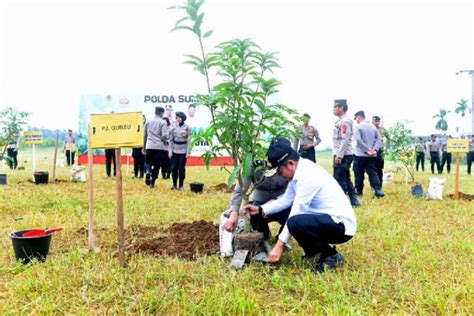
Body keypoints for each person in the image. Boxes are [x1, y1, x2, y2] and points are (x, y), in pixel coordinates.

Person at [242, 137, 357, 274]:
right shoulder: (298, 173)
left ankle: (330, 256)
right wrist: (260, 209)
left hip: (340, 225)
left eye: (279, 172)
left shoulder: (308, 175)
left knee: (295, 221)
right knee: (287, 215)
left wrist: (279, 244)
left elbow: (297, 210)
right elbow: (286, 201)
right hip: (323, 218)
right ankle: (314, 253)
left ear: (290, 163)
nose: (281, 176)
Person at [222, 159, 290, 241]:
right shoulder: (252, 164)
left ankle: (282, 238)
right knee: (260, 233)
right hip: (258, 206)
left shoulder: (287, 164)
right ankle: (265, 233)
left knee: (294, 216)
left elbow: (294, 191)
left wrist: (275, 201)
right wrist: (233, 213)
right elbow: (239, 190)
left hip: (283, 204)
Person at [332, 99, 360, 207]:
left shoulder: (345, 121)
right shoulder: (340, 121)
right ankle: (354, 200)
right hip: (342, 153)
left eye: (335, 107)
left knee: (339, 178)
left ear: (341, 108)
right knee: (345, 178)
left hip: (343, 154)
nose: (333, 109)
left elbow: (345, 139)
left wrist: (339, 155)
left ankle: (340, 204)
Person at [353, 111, 384, 197]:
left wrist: (367, 150)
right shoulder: (373, 127)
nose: (356, 120)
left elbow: (358, 140)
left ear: (359, 117)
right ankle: (378, 190)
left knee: (359, 173)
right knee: (372, 173)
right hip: (371, 156)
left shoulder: (358, 127)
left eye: (356, 118)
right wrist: (374, 150)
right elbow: (379, 139)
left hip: (360, 155)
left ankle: (359, 192)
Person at [143, 106, 169, 188]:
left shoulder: (148, 122)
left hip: (149, 145)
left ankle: (147, 171)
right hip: (159, 146)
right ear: (162, 113)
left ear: (155, 112)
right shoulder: (163, 122)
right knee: (157, 165)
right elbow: (164, 135)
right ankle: (152, 182)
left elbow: (144, 135)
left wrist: (144, 147)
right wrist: (166, 140)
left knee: (148, 162)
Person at [168, 112, 192, 190]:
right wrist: (170, 151)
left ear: (183, 118)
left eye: (179, 117)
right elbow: (171, 140)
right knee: (174, 168)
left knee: (181, 168)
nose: (177, 119)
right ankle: (174, 184)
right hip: (175, 151)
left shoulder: (187, 127)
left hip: (183, 151)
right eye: (176, 117)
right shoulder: (173, 127)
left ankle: (181, 185)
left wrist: (188, 152)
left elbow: (189, 141)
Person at [372, 116, 386, 183]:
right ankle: (373, 184)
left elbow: (388, 138)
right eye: (375, 121)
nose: (376, 122)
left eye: (378, 121)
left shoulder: (382, 129)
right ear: (372, 121)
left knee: (380, 168)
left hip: (380, 150)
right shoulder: (370, 129)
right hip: (372, 150)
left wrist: (387, 147)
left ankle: (380, 182)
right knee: (372, 168)